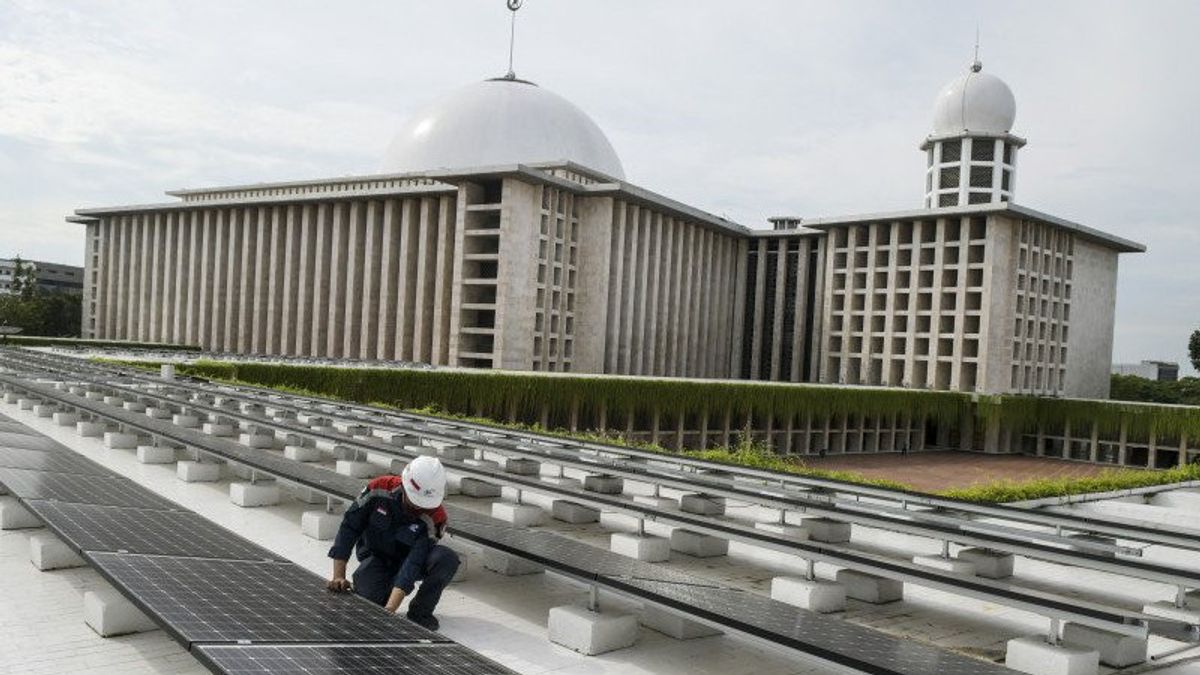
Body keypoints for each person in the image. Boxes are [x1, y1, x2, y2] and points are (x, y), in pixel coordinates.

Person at [326, 455, 459, 631]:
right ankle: (380, 588)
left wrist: (391, 609)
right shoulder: (378, 489)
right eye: (415, 501)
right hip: (377, 557)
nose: (419, 508)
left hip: (411, 562)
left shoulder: (436, 517)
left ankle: (420, 612)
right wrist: (339, 576)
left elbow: (414, 561)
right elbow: (350, 526)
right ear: (404, 485)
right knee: (368, 601)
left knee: (446, 559)